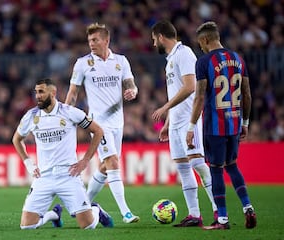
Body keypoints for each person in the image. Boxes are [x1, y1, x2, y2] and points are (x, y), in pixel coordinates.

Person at [12, 78, 114, 229]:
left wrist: (85, 160)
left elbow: (98, 131)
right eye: (36, 92)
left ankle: (96, 210)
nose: (37, 96)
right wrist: (28, 163)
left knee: (89, 226)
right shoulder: (31, 116)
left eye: (41, 92)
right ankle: (54, 214)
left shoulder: (69, 112)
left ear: (53, 93)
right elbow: (17, 139)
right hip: (44, 177)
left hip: (68, 176)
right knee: (26, 227)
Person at [65, 23, 140, 224]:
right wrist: (64, 115)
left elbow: (131, 84)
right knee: (114, 162)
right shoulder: (82, 64)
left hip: (118, 122)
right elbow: (73, 93)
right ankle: (126, 212)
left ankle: (82, 205)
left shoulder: (121, 61)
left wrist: (133, 91)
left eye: (95, 40)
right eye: (89, 40)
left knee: (106, 167)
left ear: (106, 40)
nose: (91, 44)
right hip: (97, 124)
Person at [186, 21, 257, 230]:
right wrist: (245, 121)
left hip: (214, 126)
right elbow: (247, 94)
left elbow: (199, 97)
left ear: (205, 40)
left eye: (200, 42)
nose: (200, 46)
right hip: (235, 122)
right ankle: (247, 207)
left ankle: (222, 220)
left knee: (216, 169)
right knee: (232, 165)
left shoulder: (204, 62)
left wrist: (191, 127)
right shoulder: (238, 58)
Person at [151, 20, 218, 227]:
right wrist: (168, 121)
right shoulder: (170, 59)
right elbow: (176, 91)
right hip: (175, 124)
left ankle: (219, 211)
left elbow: (190, 87)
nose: (154, 44)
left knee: (198, 164)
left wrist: (164, 108)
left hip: (191, 120)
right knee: (183, 169)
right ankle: (194, 215)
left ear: (161, 37)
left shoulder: (184, 53)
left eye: (154, 39)